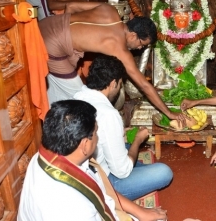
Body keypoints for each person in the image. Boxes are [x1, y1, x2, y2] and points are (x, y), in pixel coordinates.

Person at [18, 100, 168, 221]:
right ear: (84, 144)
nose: (98, 137)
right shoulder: (73, 208)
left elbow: (102, 192)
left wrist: (140, 212)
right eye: (96, 132)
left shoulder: (49, 157)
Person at [39, 2, 184, 123]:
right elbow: (144, 86)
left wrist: (69, 41)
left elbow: (71, 6)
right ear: (133, 35)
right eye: (142, 44)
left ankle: (52, 120)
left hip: (44, 25)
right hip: (50, 46)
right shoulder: (119, 49)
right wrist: (169, 113)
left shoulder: (110, 10)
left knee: (60, 85)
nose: (140, 48)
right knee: (85, 100)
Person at [74, 55, 173, 200]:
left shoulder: (78, 96)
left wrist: (120, 133)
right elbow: (122, 172)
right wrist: (137, 142)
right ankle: (119, 196)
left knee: (125, 146)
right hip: (103, 182)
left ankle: (138, 169)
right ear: (113, 83)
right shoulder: (109, 114)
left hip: (87, 168)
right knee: (164, 172)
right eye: (120, 84)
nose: (120, 88)